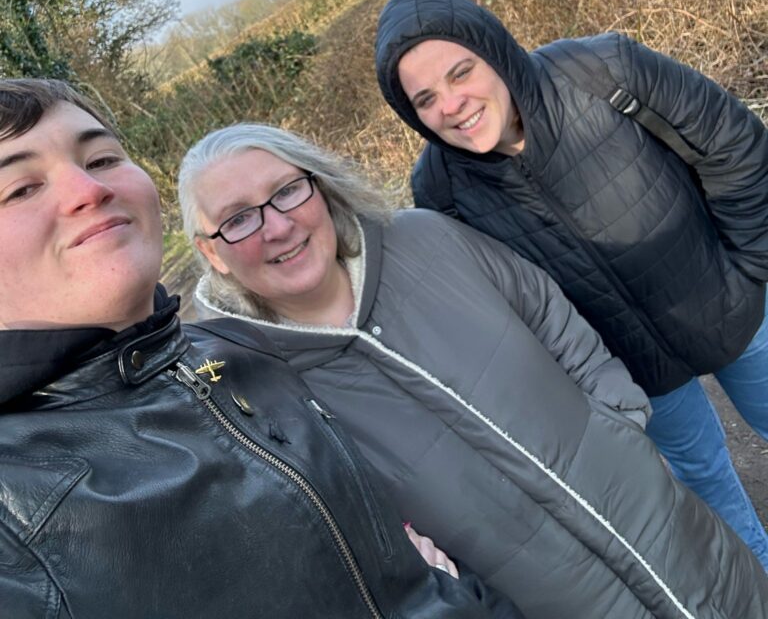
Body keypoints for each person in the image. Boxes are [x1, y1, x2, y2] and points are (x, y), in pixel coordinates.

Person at [179, 121, 768, 619]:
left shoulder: (425, 237)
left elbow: (544, 307)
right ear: (212, 252)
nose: (277, 226)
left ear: (320, 187)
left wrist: (622, 419)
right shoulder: (251, 394)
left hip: (673, 530)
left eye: (287, 191)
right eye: (237, 219)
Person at [0, 78, 523, 619]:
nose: (87, 188)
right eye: (19, 188)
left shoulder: (238, 351)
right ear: (210, 251)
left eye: (103, 158)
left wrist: (449, 585)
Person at [374, 0, 768, 567]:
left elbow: (733, 146)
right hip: (640, 373)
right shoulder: (440, 189)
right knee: (707, 481)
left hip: (732, 306)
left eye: (461, 73)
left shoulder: (600, 69)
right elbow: (497, 310)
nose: (451, 105)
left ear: (494, 51)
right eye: (426, 99)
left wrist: (750, 268)